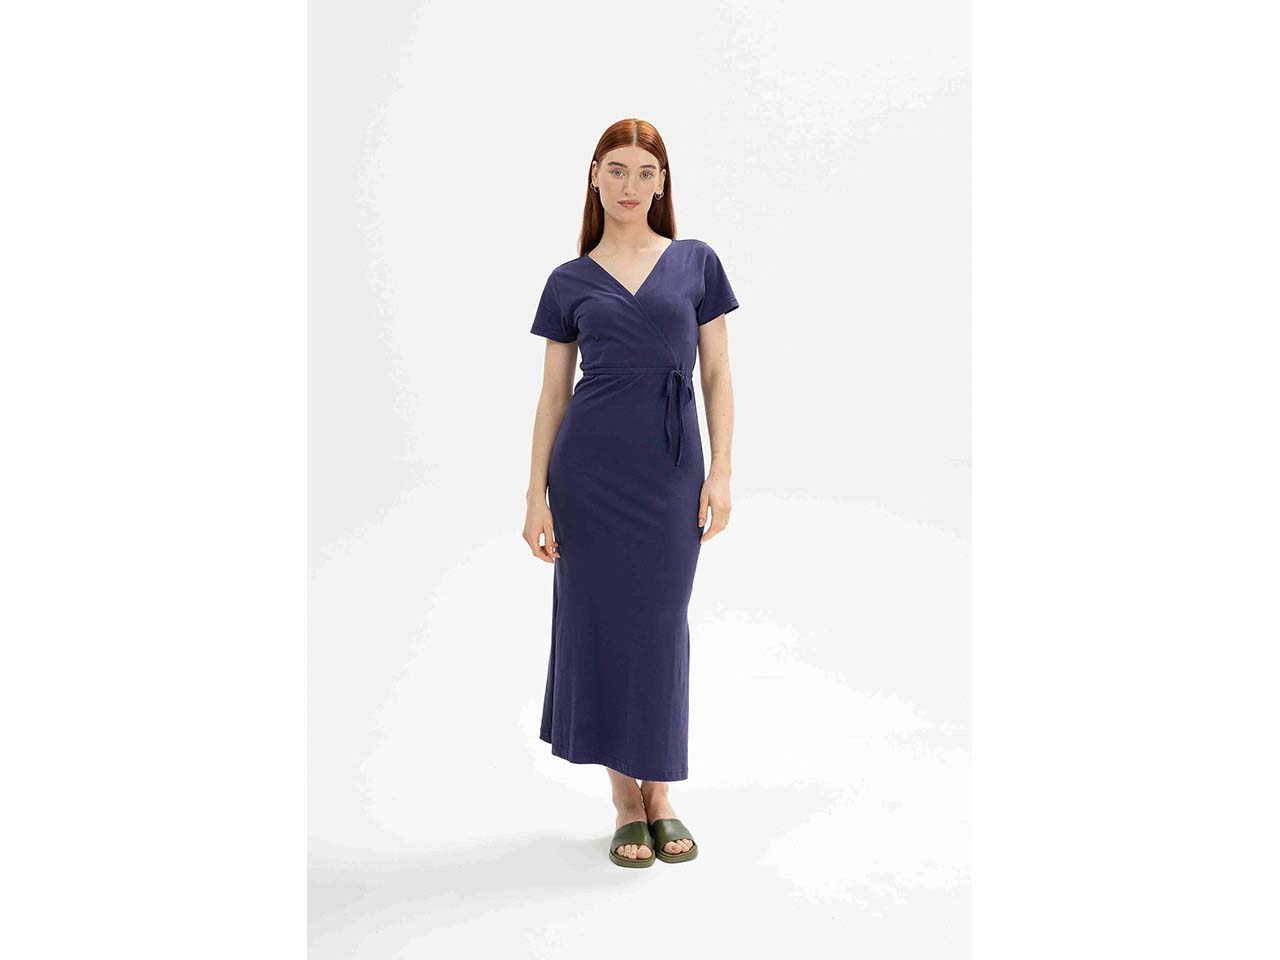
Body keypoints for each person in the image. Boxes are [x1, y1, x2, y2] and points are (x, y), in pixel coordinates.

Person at [523, 118, 740, 869]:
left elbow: (717, 373)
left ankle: (661, 791)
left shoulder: (695, 262)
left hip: (671, 472)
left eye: (645, 172)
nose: (629, 185)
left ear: (661, 183)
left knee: (659, 625)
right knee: (599, 626)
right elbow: (553, 396)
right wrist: (535, 496)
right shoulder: (569, 279)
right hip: (588, 475)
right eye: (616, 169)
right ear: (594, 176)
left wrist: (722, 471)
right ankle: (626, 801)